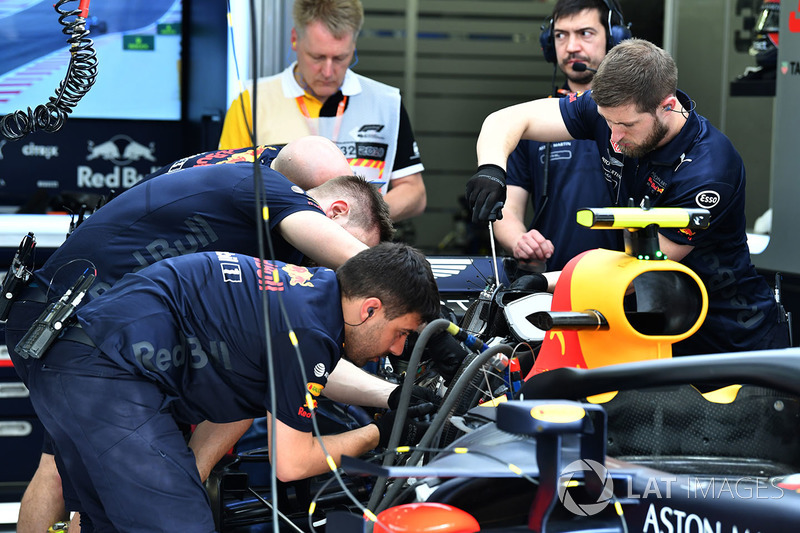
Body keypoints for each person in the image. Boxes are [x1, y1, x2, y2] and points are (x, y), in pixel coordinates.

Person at [6, 147, 391, 532]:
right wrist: (410, 297)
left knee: (97, 503)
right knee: (127, 498)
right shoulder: (266, 186)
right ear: (335, 210)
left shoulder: (244, 186)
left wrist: (389, 394)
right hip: (78, 330)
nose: (336, 275)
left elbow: (296, 358)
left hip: (86, 334)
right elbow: (365, 271)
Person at [10, 243, 441, 531]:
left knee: (108, 526)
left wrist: (391, 396)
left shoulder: (305, 291)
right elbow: (289, 464)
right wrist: (381, 433)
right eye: (402, 334)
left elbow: (285, 383)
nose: (400, 349)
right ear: (370, 309)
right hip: (107, 372)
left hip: (78, 357)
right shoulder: (312, 331)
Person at [466, 38, 790, 356]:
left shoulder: (710, 170)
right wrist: (492, 168)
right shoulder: (615, 111)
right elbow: (505, 120)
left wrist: (543, 284)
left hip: (730, 336)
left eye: (626, 125)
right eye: (606, 122)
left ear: (668, 105)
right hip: (655, 324)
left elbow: (644, 269)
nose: (614, 139)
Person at [218, 0, 427, 221]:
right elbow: (228, 189)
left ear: (354, 45)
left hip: (363, 252)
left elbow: (414, 192)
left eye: (340, 58)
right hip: (279, 251)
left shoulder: (386, 102)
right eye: (317, 57)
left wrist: (361, 218)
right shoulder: (253, 101)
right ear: (294, 39)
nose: (328, 71)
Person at [492, 0, 626, 272]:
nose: (572, 46)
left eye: (585, 33)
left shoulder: (639, 119)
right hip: (551, 282)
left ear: (613, 37)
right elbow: (507, 209)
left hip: (628, 283)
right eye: (560, 35)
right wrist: (520, 240)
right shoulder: (531, 122)